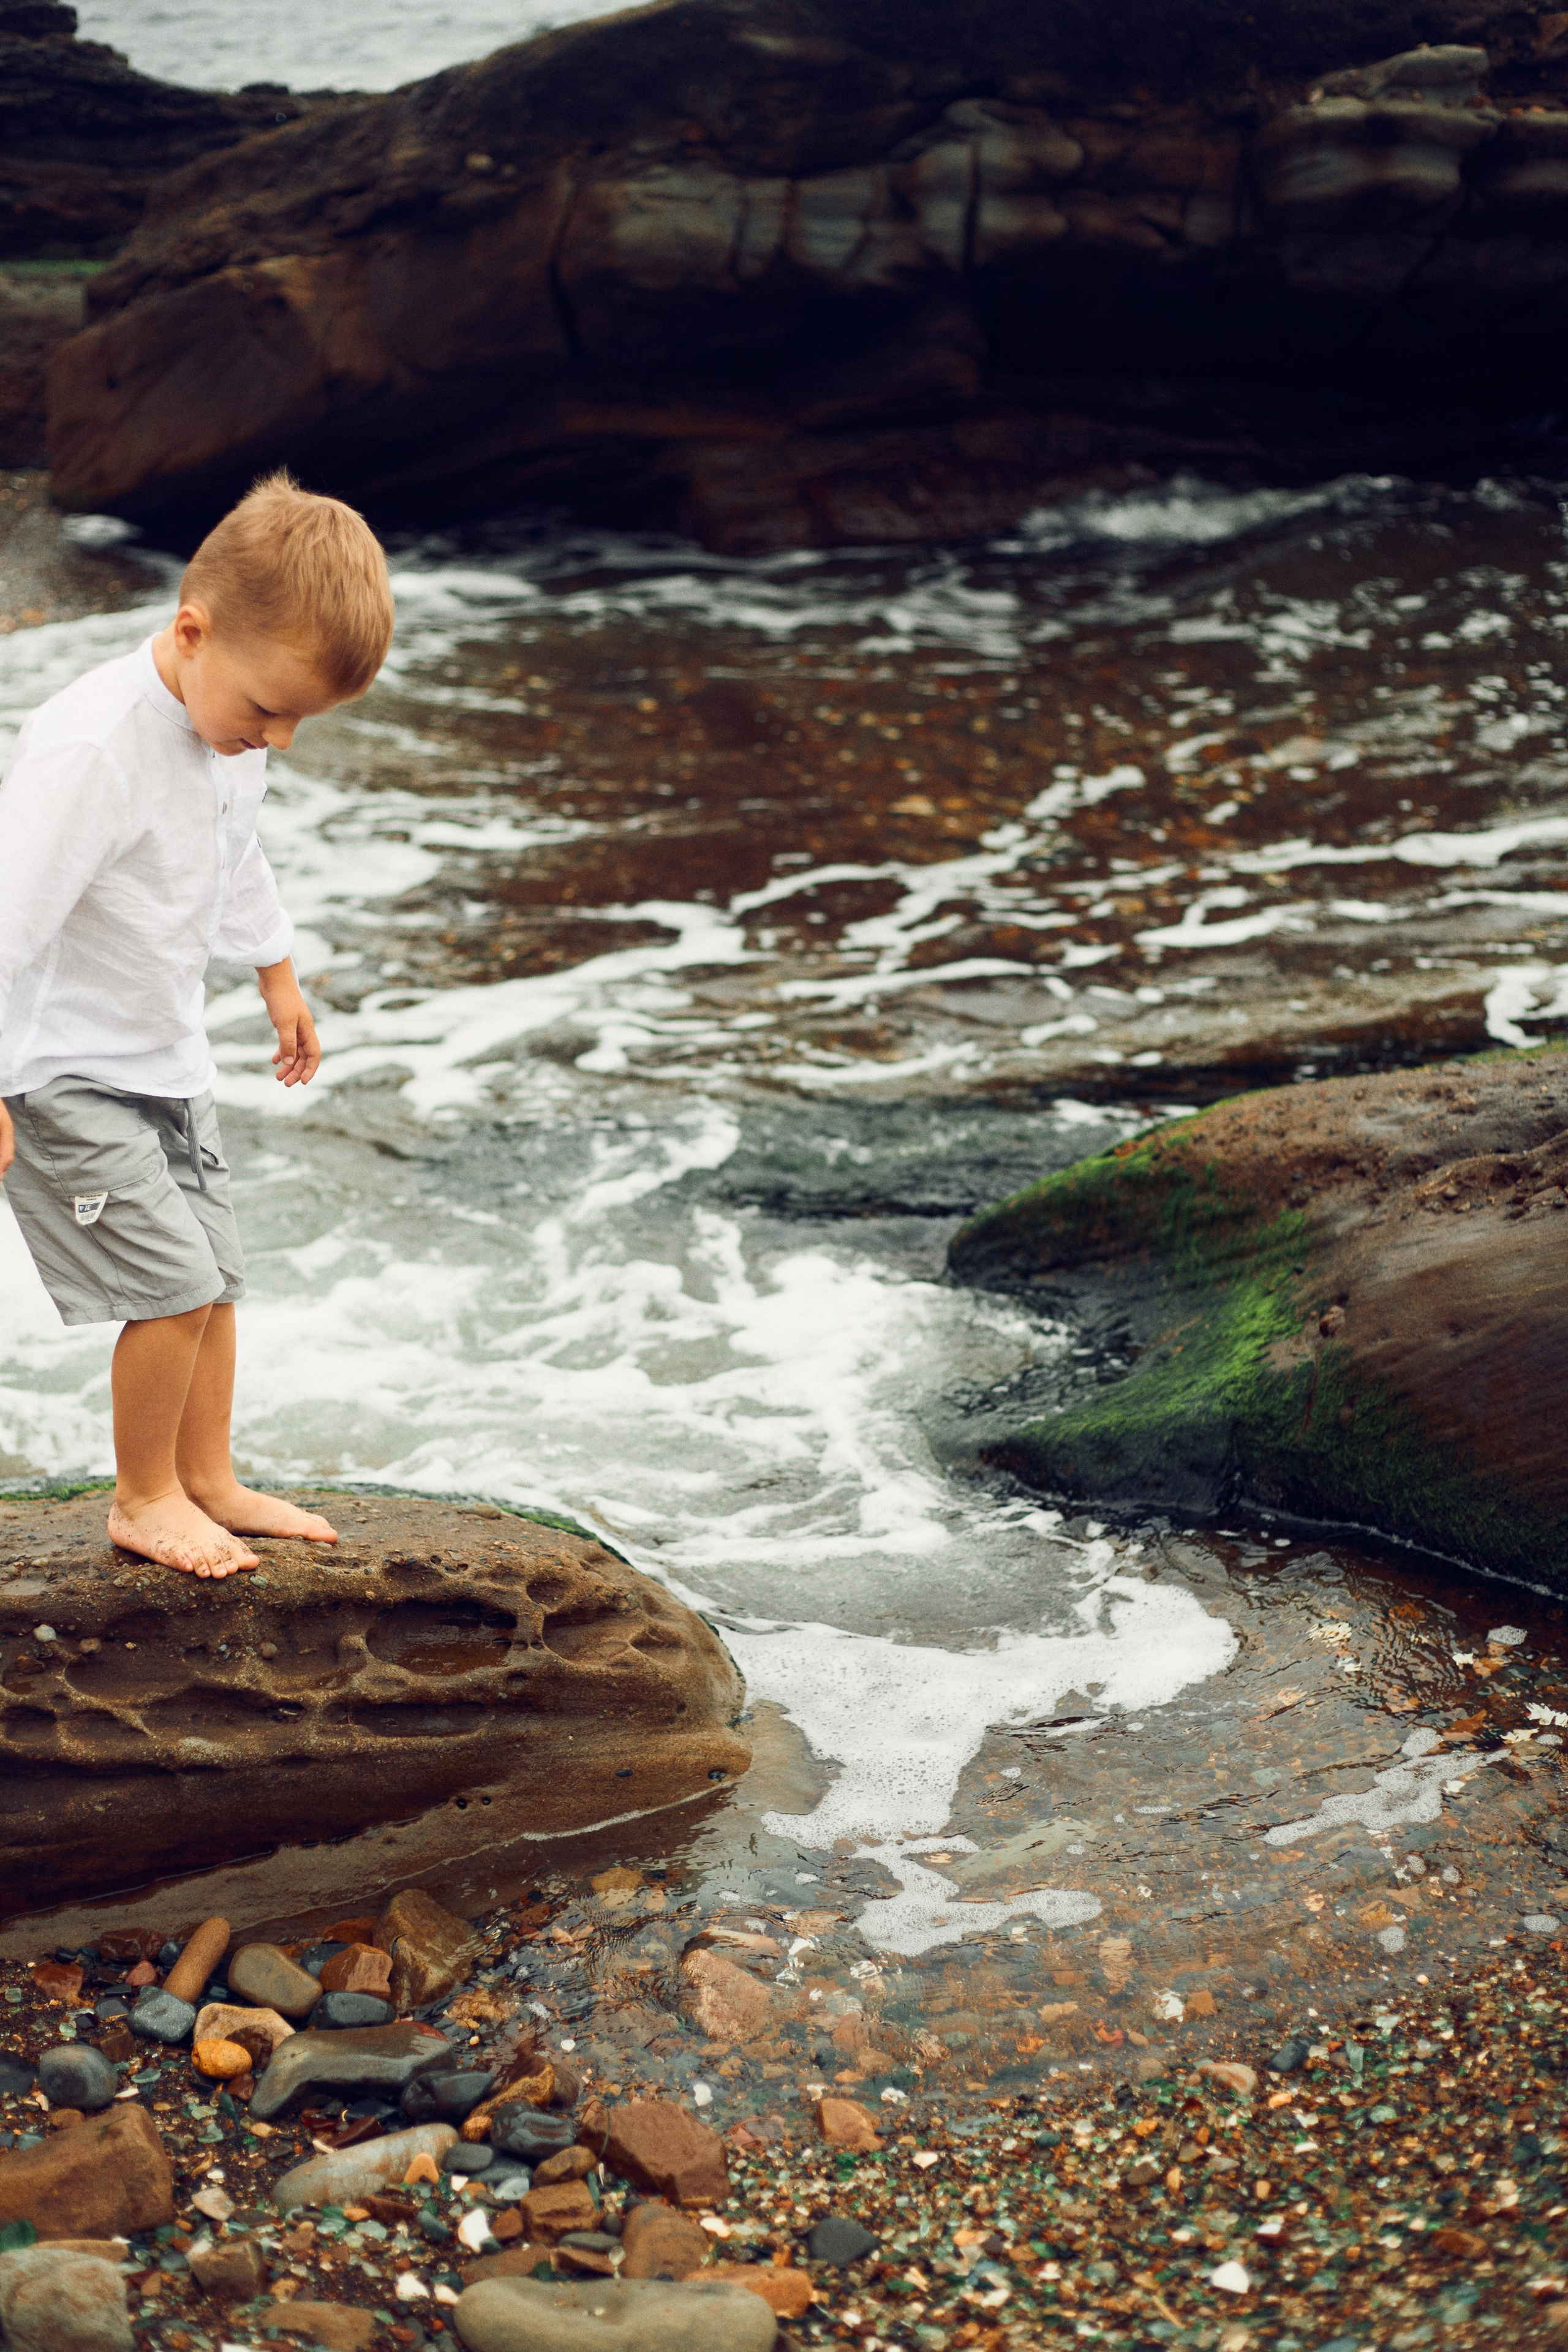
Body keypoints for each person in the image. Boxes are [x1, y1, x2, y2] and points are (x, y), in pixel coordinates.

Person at [0, 471, 394, 1578]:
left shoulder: (228, 738)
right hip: (60, 1067)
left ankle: (208, 1479)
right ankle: (143, 1498)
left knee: (215, 1279)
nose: (280, 739)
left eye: (300, 721)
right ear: (191, 632)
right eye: (269, 711)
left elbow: (232, 853)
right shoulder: (94, 748)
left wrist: (278, 974)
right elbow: (9, 918)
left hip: (163, 1057)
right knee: (169, 1288)